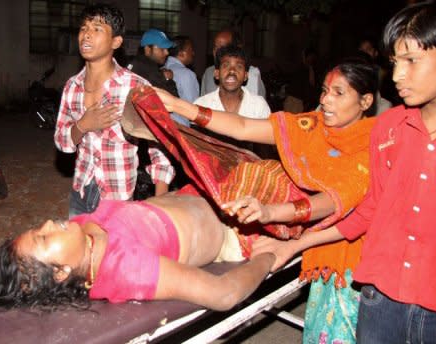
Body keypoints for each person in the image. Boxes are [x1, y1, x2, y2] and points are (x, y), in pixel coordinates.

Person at [155, 57, 378, 343]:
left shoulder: (372, 145)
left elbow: (332, 201)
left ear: (365, 101)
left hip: (348, 259)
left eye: (339, 93)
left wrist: (270, 212)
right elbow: (244, 127)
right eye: (324, 91)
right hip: (300, 224)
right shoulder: (312, 124)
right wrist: (180, 107)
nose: (326, 101)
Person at [251, 3, 436, 343]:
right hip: (382, 299)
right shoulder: (389, 130)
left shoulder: (370, 132)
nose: (396, 77)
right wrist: (296, 244)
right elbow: (369, 210)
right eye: (395, 62)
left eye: (411, 60)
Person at [0, 192, 275, 311]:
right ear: (60, 272)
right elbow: (223, 295)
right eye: (44, 239)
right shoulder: (127, 269)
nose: (47, 223)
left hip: (202, 191)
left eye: (38, 229)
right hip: (234, 227)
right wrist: (271, 256)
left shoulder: (82, 230)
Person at [54, 5, 174, 218]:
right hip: (81, 191)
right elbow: (62, 142)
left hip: (118, 197)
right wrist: (83, 125)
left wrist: (160, 200)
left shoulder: (135, 88)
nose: (86, 34)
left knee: (113, 251)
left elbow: (160, 145)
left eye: (97, 29)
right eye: (83, 28)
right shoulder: (72, 87)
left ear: (116, 42)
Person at [194, 44, 271, 154]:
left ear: (245, 75)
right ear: (216, 73)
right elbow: (196, 148)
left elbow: (266, 147)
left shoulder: (258, 105)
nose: (232, 71)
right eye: (226, 66)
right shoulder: (202, 105)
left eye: (239, 66)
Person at [127, 29, 186, 125]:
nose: (167, 52)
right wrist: (168, 80)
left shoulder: (133, 63)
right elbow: (172, 103)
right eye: (162, 48)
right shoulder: (149, 69)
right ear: (147, 49)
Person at [200, 29, 266, 98]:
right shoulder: (208, 73)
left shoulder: (252, 74)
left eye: (223, 47)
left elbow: (256, 105)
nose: (217, 52)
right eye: (215, 47)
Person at [165, 35, 199, 105]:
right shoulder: (187, 74)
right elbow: (192, 106)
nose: (193, 53)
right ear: (181, 54)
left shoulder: (162, 69)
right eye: (191, 50)